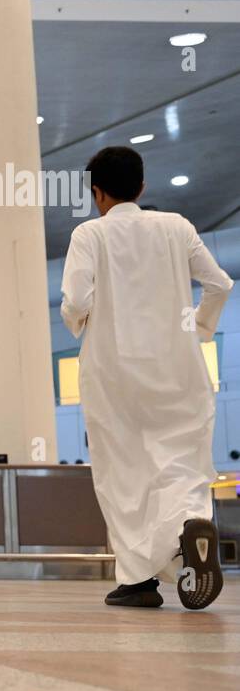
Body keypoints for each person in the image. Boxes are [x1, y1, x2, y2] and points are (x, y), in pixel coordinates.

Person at [60, 146, 229, 610]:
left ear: (98, 193)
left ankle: (138, 580)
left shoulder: (89, 234)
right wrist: (197, 328)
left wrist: (81, 323)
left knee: (124, 473)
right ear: (142, 186)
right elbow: (220, 284)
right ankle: (193, 522)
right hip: (179, 367)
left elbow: (75, 300)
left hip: (113, 371)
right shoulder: (178, 228)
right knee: (183, 464)